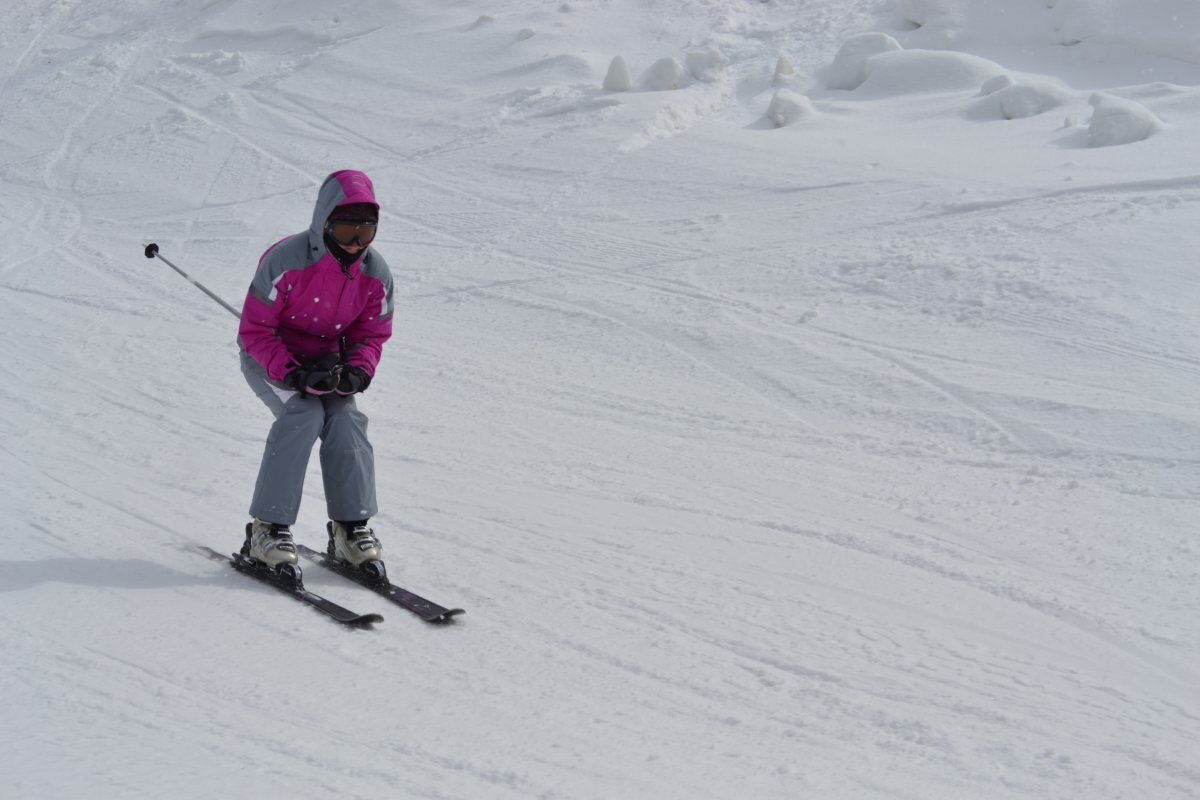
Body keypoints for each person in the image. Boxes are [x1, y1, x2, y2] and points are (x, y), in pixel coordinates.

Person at [237, 169, 394, 580]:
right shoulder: (286, 261)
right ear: (324, 223)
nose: (355, 243)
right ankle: (267, 529)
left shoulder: (375, 273)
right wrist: (292, 372)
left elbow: (371, 333)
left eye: (365, 232)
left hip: (327, 364)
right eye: (345, 231)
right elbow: (255, 331)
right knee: (303, 414)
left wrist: (358, 369)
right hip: (271, 359)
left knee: (346, 419)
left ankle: (350, 528)